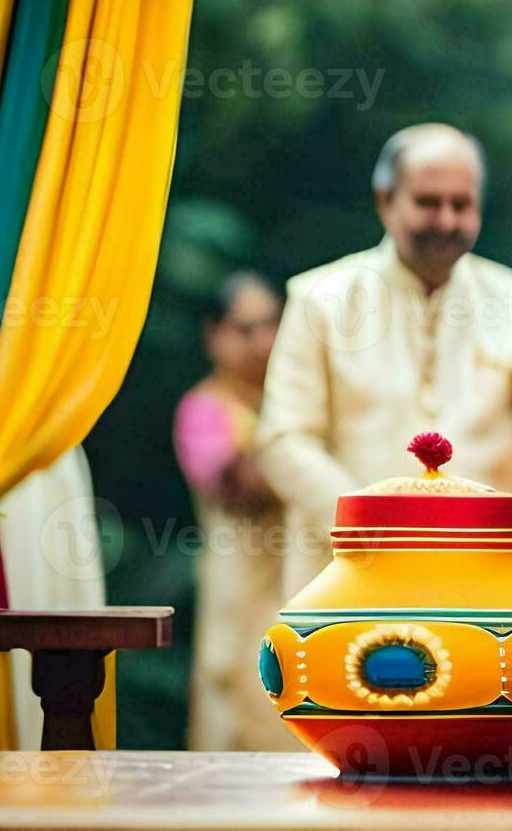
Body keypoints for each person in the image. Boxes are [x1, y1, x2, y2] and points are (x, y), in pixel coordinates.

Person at [256, 123, 512, 602]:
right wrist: (369, 522)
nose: (445, 220)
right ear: (385, 200)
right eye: (427, 202)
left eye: (461, 205)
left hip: (483, 577)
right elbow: (283, 440)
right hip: (344, 575)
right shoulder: (320, 300)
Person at [173, 271, 294, 751]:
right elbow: (236, 485)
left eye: (271, 325)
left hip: (295, 590)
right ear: (213, 335)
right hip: (237, 600)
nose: (262, 341)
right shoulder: (204, 409)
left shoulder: (288, 404)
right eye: (245, 329)